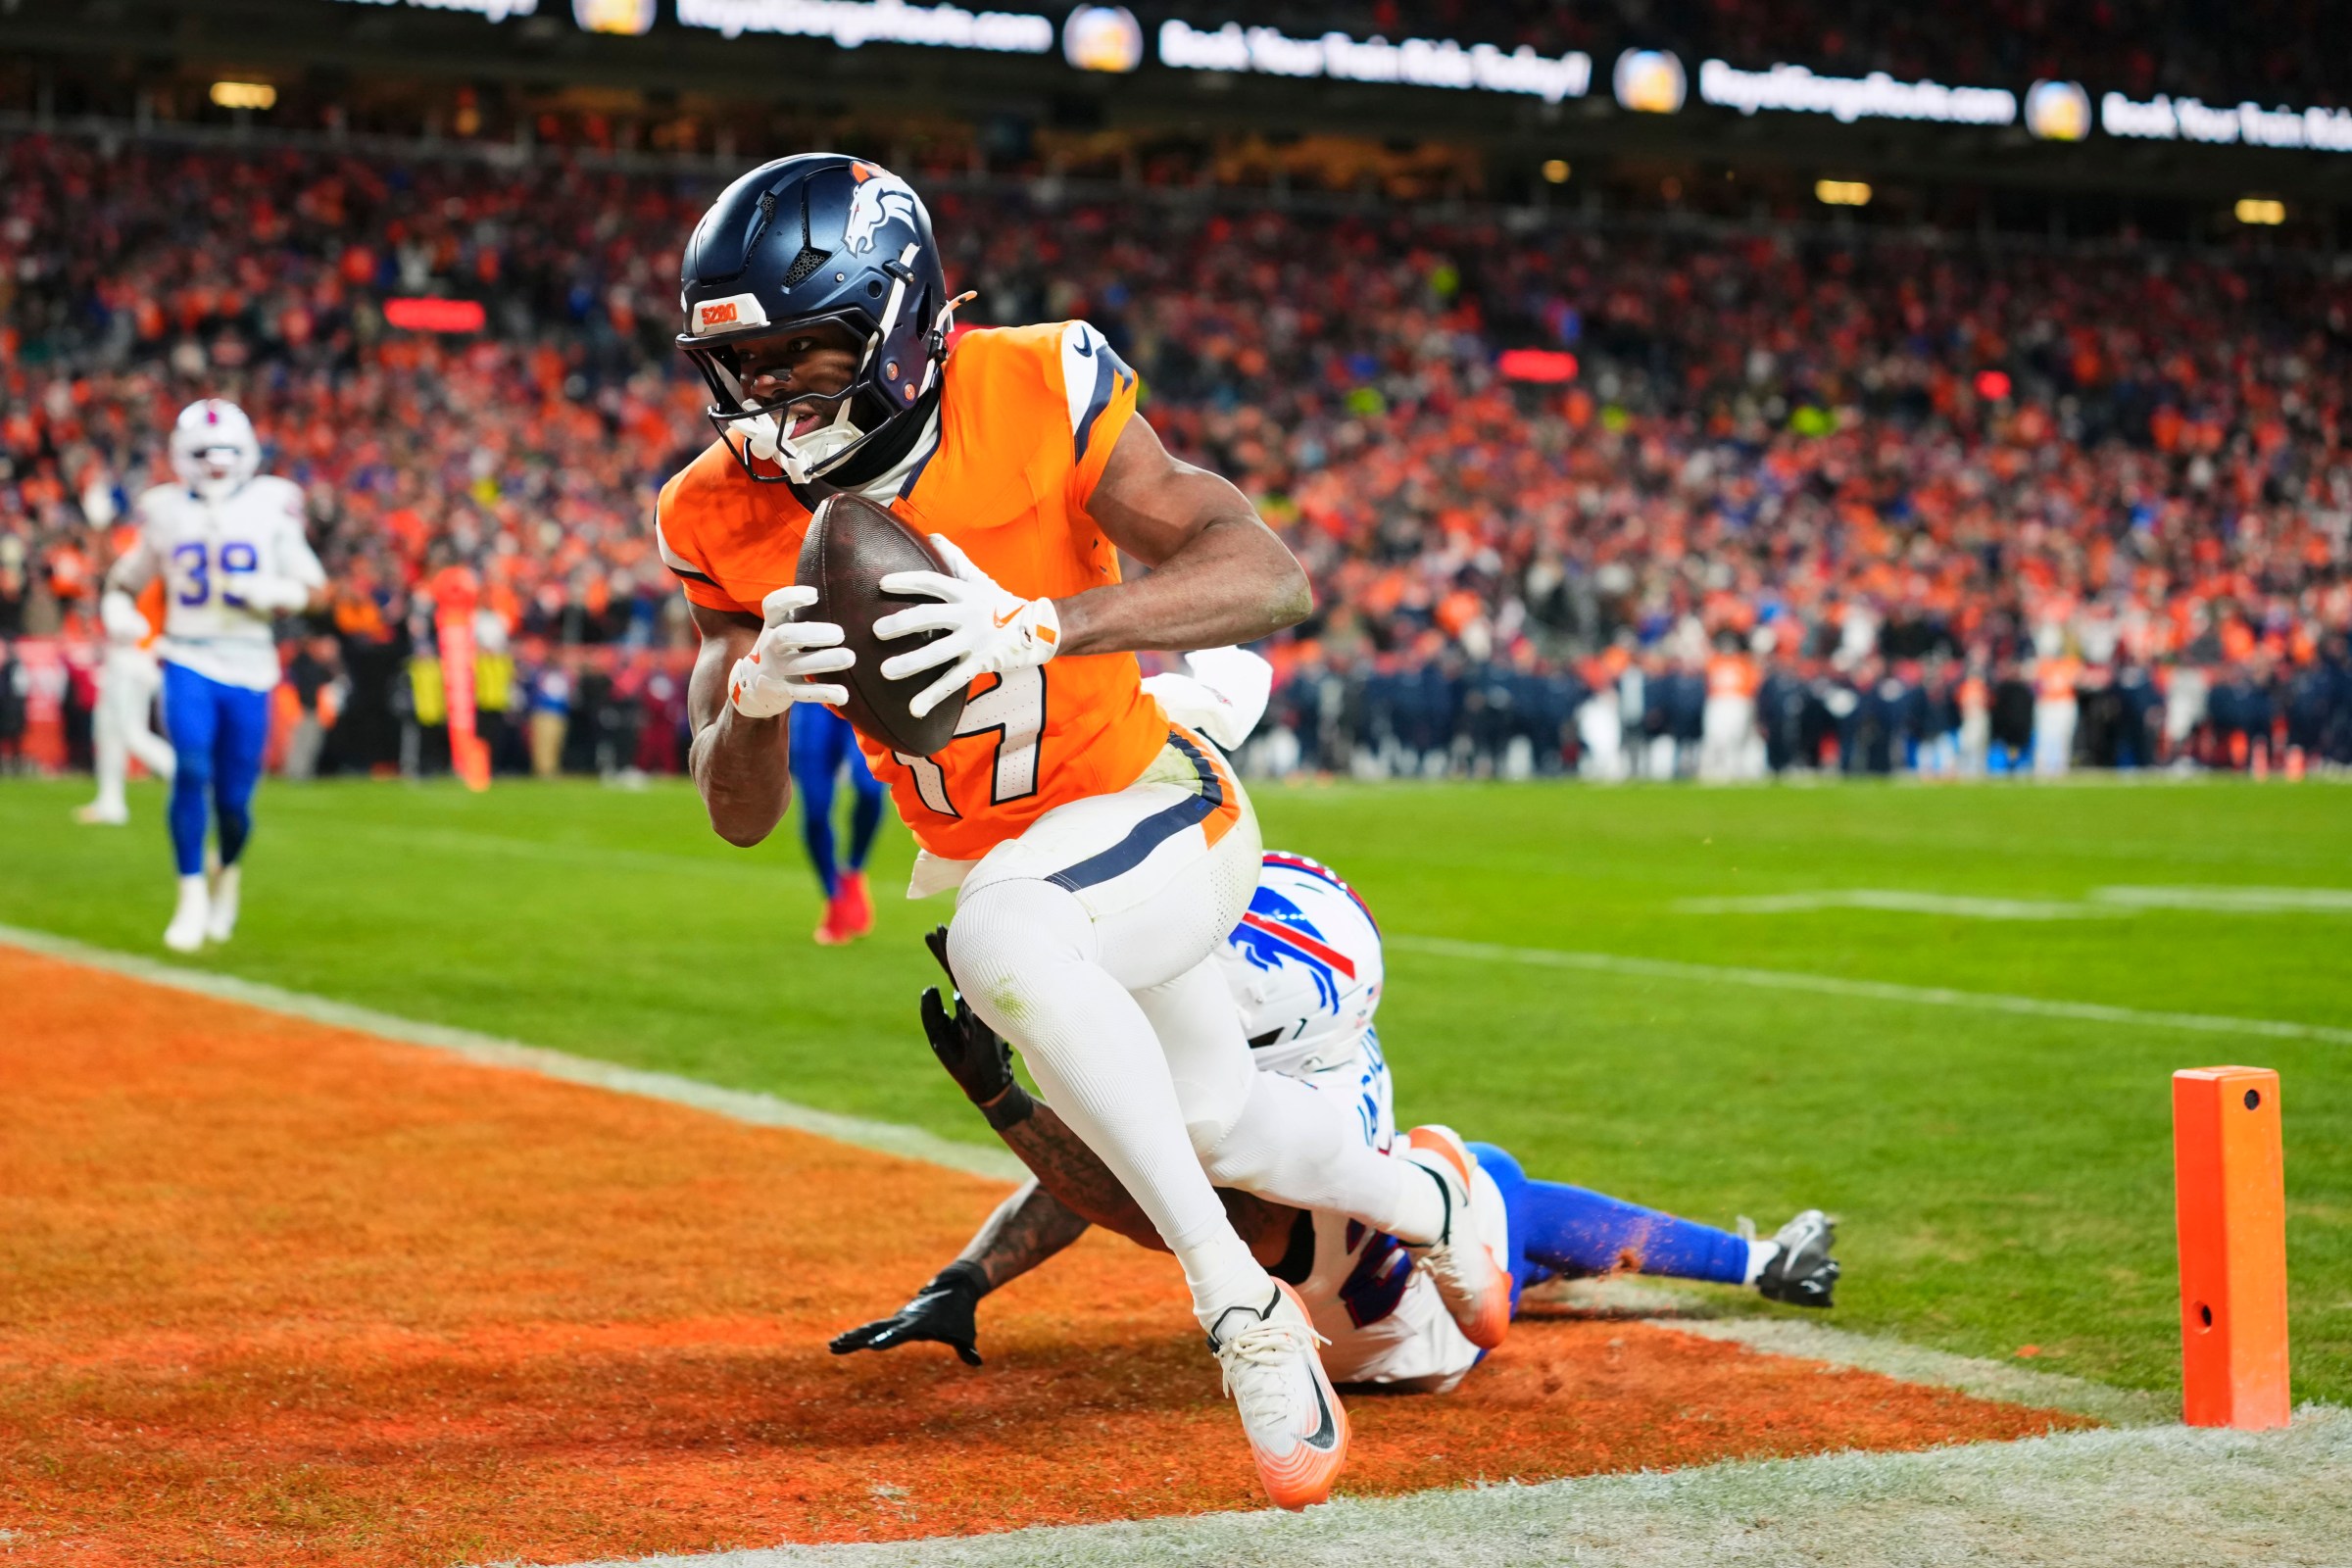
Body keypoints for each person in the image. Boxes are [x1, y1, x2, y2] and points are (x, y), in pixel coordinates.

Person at [656, 155, 1504, 1509]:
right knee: (1218, 1124)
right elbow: (738, 812)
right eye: (741, 364)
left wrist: (1051, 626)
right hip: (1006, 850)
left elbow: (1265, 571)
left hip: (1160, 802)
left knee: (1007, 936)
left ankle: (1243, 1315)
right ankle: (1445, 1204)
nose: (767, 398)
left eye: (802, 353)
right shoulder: (716, 512)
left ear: (901, 322)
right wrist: (752, 700)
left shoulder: (1033, 386)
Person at [834, 850, 1838, 1390]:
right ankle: (1753, 1265)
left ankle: (1679, 1267)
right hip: (1395, 1339)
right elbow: (1137, 1184)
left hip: (1382, 1332)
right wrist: (970, 1270)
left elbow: (1147, 1201)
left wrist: (1008, 1102)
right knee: (1485, 1176)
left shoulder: (1258, 1111)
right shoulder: (1315, 1050)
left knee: (1477, 1176)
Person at [104, 399, 326, 952]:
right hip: (188, 653)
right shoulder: (164, 509)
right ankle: (190, 894)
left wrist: (279, 594)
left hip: (252, 660)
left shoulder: (273, 504)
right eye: (205, 453)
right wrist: (118, 607)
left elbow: (319, 590)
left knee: (234, 802)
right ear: (184, 455)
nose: (217, 463)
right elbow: (125, 579)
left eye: (226, 451)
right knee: (190, 767)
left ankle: (226, 874)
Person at [75, 577, 176, 824]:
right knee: (107, 736)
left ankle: (185, 775)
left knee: (130, 733)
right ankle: (110, 803)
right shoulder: (137, 595)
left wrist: (116, 609)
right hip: (122, 667)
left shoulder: (136, 596)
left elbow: (131, 629)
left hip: (131, 668)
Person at [790, 703, 885, 944]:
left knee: (870, 787)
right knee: (815, 809)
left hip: (864, 689)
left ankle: (853, 871)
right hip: (811, 692)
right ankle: (834, 896)